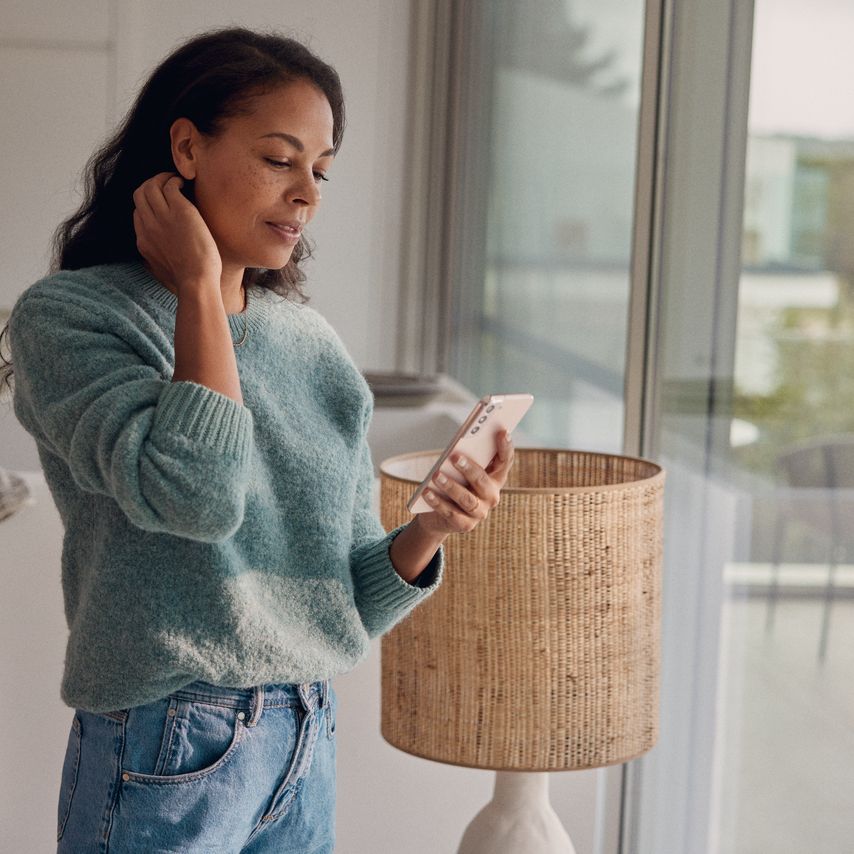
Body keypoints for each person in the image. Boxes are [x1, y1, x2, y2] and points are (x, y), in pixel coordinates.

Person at [0, 26, 516, 854]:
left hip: (304, 731)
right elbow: (194, 498)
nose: (307, 193)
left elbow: (342, 600)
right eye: (280, 159)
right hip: (167, 738)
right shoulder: (69, 319)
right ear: (186, 149)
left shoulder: (310, 344)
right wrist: (200, 287)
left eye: (321, 169)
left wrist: (429, 531)